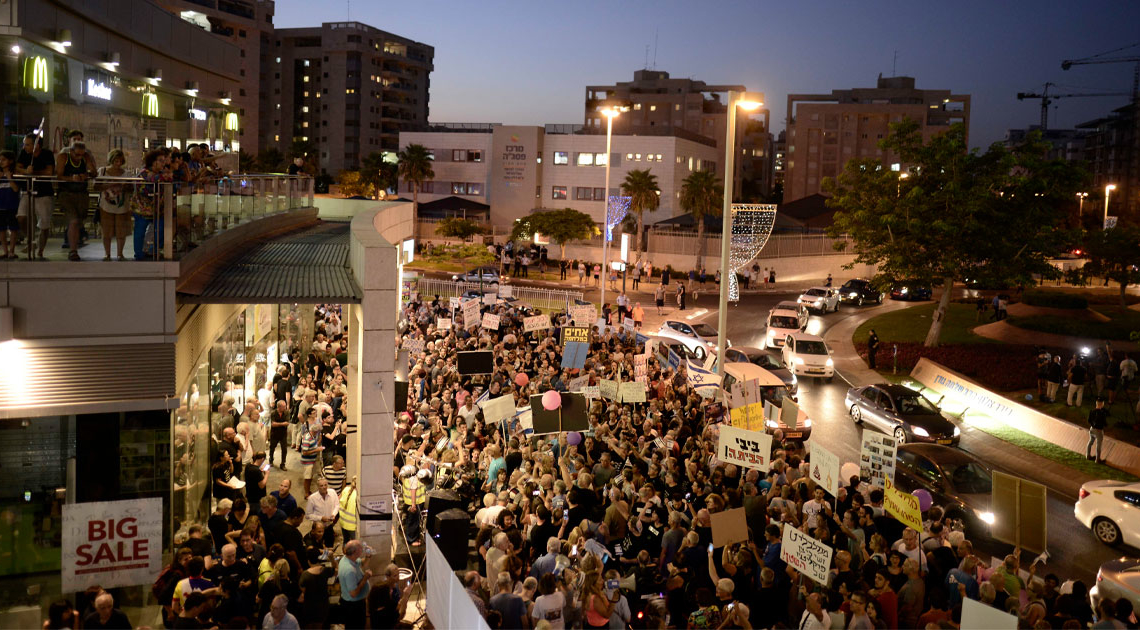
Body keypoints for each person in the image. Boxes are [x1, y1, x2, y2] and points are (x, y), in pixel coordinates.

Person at [15, 133, 54, 260]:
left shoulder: (47, 154)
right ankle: (30, 239)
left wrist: (35, 172)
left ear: (36, 145)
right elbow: (17, 168)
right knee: (21, 216)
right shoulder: (24, 153)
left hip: (44, 193)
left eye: (27, 144)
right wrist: (26, 171)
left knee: (44, 223)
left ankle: (40, 249)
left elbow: (49, 172)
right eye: (24, 144)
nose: (24, 147)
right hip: (27, 190)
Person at [338, 540, 373, 630]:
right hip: (353, 607)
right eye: (361, 548)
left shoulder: (348, 558)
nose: (363, 549)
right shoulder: (349, 570)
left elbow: (363, 563)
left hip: (355, 604)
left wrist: (368, 556)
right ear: (355, 552)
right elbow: (353, 594)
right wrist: (365, 579)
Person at [0, 151, 21, 259]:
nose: (1, 162)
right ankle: (5, 250)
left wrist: (9, 178)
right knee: (1, 229)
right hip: (1, 205)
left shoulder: (14, 174)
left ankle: (12, 250)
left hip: (12, 205)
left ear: (10, 161)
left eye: (3, 160)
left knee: (13, 228)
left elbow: (16, 188)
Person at [1087, 398, 1109, 462]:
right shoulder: (1102, 413)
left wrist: (1093, 425)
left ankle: (1088, 455)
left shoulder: (1092, 411)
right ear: (1102, 404)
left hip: (1092, 429)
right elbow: (1104, 423)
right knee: (1099, 445)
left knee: (1090, 442)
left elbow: (1089, 420)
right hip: (1099, 430)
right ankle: (1097, 459)